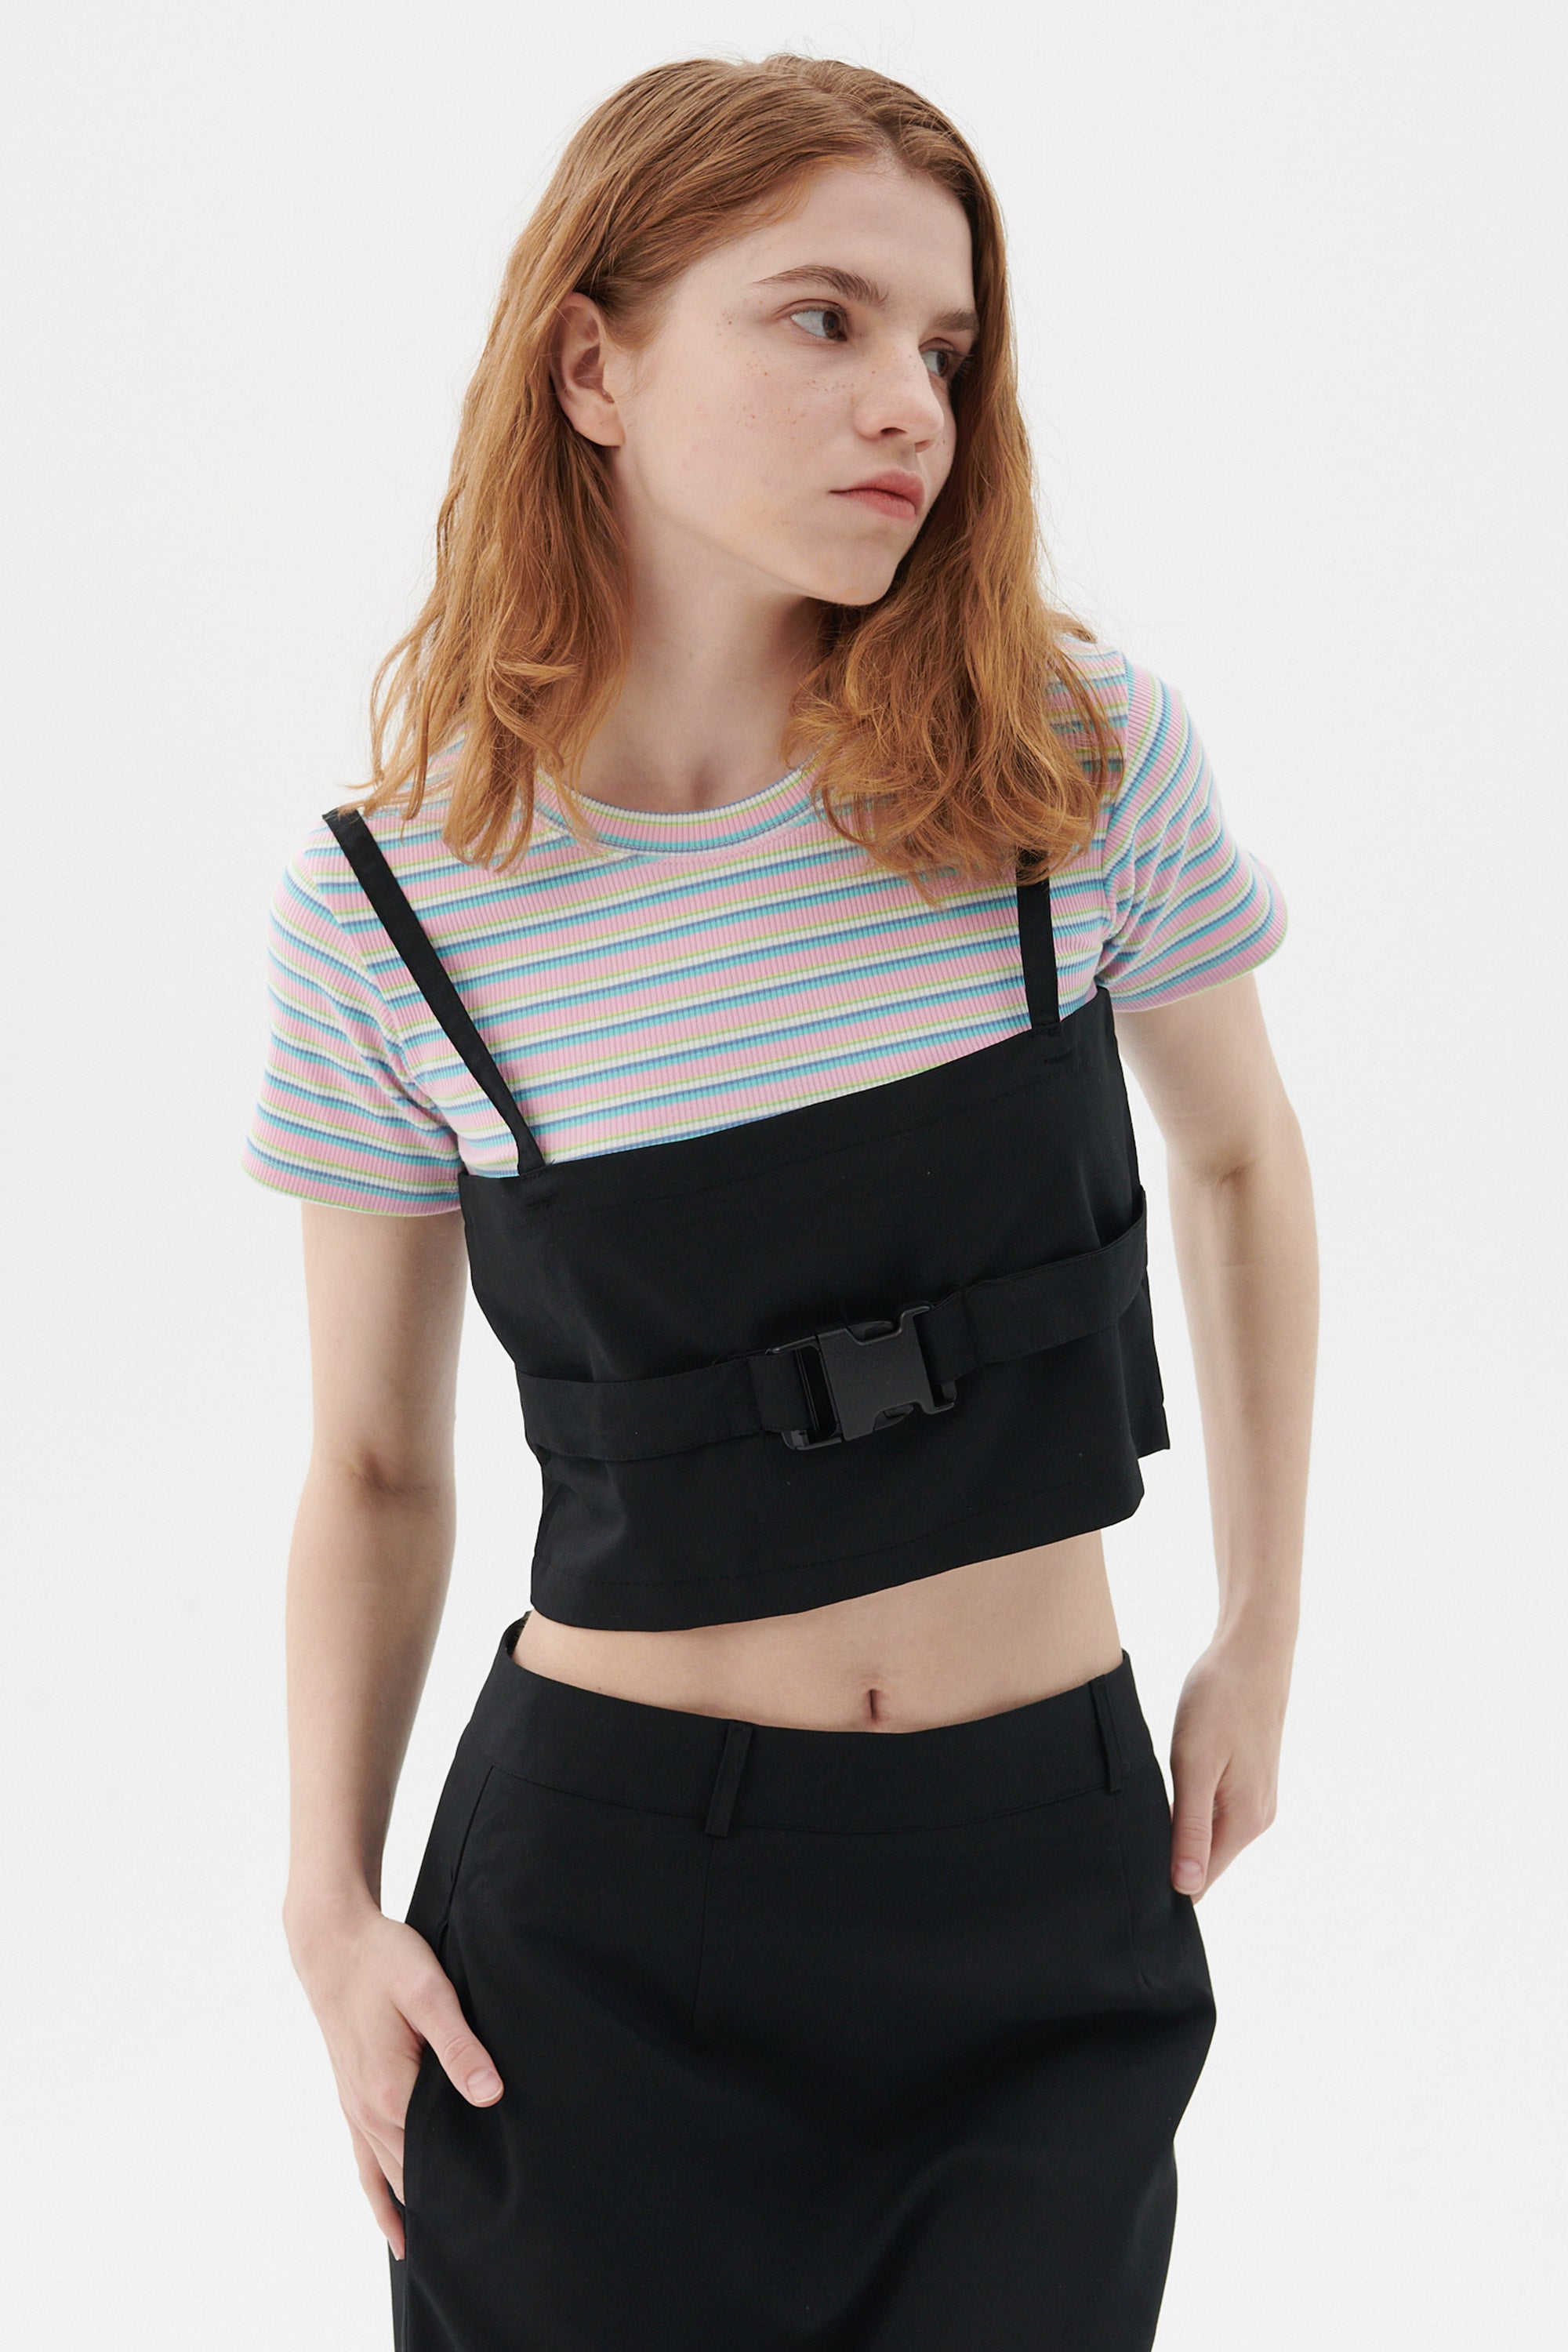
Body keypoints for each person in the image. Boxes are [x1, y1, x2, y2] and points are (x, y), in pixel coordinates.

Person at [246, 51, 1317, 2352]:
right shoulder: (396, 910)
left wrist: (1263, 1621)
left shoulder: (1071, 760)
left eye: (947, 344)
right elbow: (373, 1466)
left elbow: (1239, 1153)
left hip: (1042, 1888)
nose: (910, 401)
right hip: (599, 1932)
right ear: (593, 365)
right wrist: (326, 1911)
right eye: (824, 318)